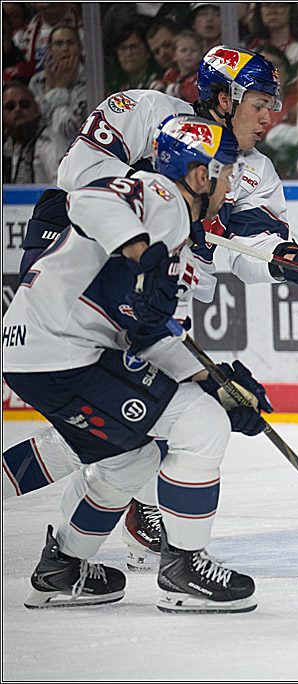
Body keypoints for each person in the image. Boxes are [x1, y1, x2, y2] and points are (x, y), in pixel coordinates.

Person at [10, 45, 298, 570]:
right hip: (79, 292)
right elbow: (75, 185)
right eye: (261, 102)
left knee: (117, 436)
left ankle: (83, 551)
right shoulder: (145, 113)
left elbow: (255, 246)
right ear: (223, 98)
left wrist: (296, 264)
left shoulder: (253, 171)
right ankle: (128, 537)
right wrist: (150, 240)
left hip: (150, 307)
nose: (272, 115)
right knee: (139, 428)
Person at [4, 113, 269, 612]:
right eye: (226, 170)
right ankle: (183, 565)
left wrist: (216, 381)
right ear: (199, 174)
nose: (231, 183)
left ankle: (63, 567)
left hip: (39, 352)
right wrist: (138, 248)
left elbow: (150, 336)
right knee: (200, 422)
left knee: (134, 458)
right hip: (63, 351)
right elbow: (86, 197)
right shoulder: (161, 196)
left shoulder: (176, 233)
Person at [27, 26, 89, 142]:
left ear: (80, 48)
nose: (65, 48)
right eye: (59, 44)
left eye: (70, 43)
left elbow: (70, 131)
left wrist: (58, 89)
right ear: (49, 49)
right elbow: (34, 125)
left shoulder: (91, 81)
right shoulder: (37, 82)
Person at [2, 81, 69, 184]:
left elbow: (63, 190)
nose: (17, 109)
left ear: (37, 109)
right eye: (10, 106)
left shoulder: (50, 145)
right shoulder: (7, 146)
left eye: (24, 104)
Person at [105, 21, 161, 96]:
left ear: (148, 50)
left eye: (134, 47)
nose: (128, 53)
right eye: (123, 48)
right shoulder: (114, 90)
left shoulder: (160, 82)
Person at [249, 3, 298, 67]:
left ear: (291, 10)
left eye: (280, 5)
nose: (272, 11)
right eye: (267, 6)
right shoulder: (252, 46)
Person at [165, 30, 203, 104]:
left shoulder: (202, 75)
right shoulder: (171, 74)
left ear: (201, 55)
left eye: (193, 50)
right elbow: (163, 83)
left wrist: (180, 90)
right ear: (174, 55)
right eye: (183, 50)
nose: (188, 54)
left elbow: (197, 94)